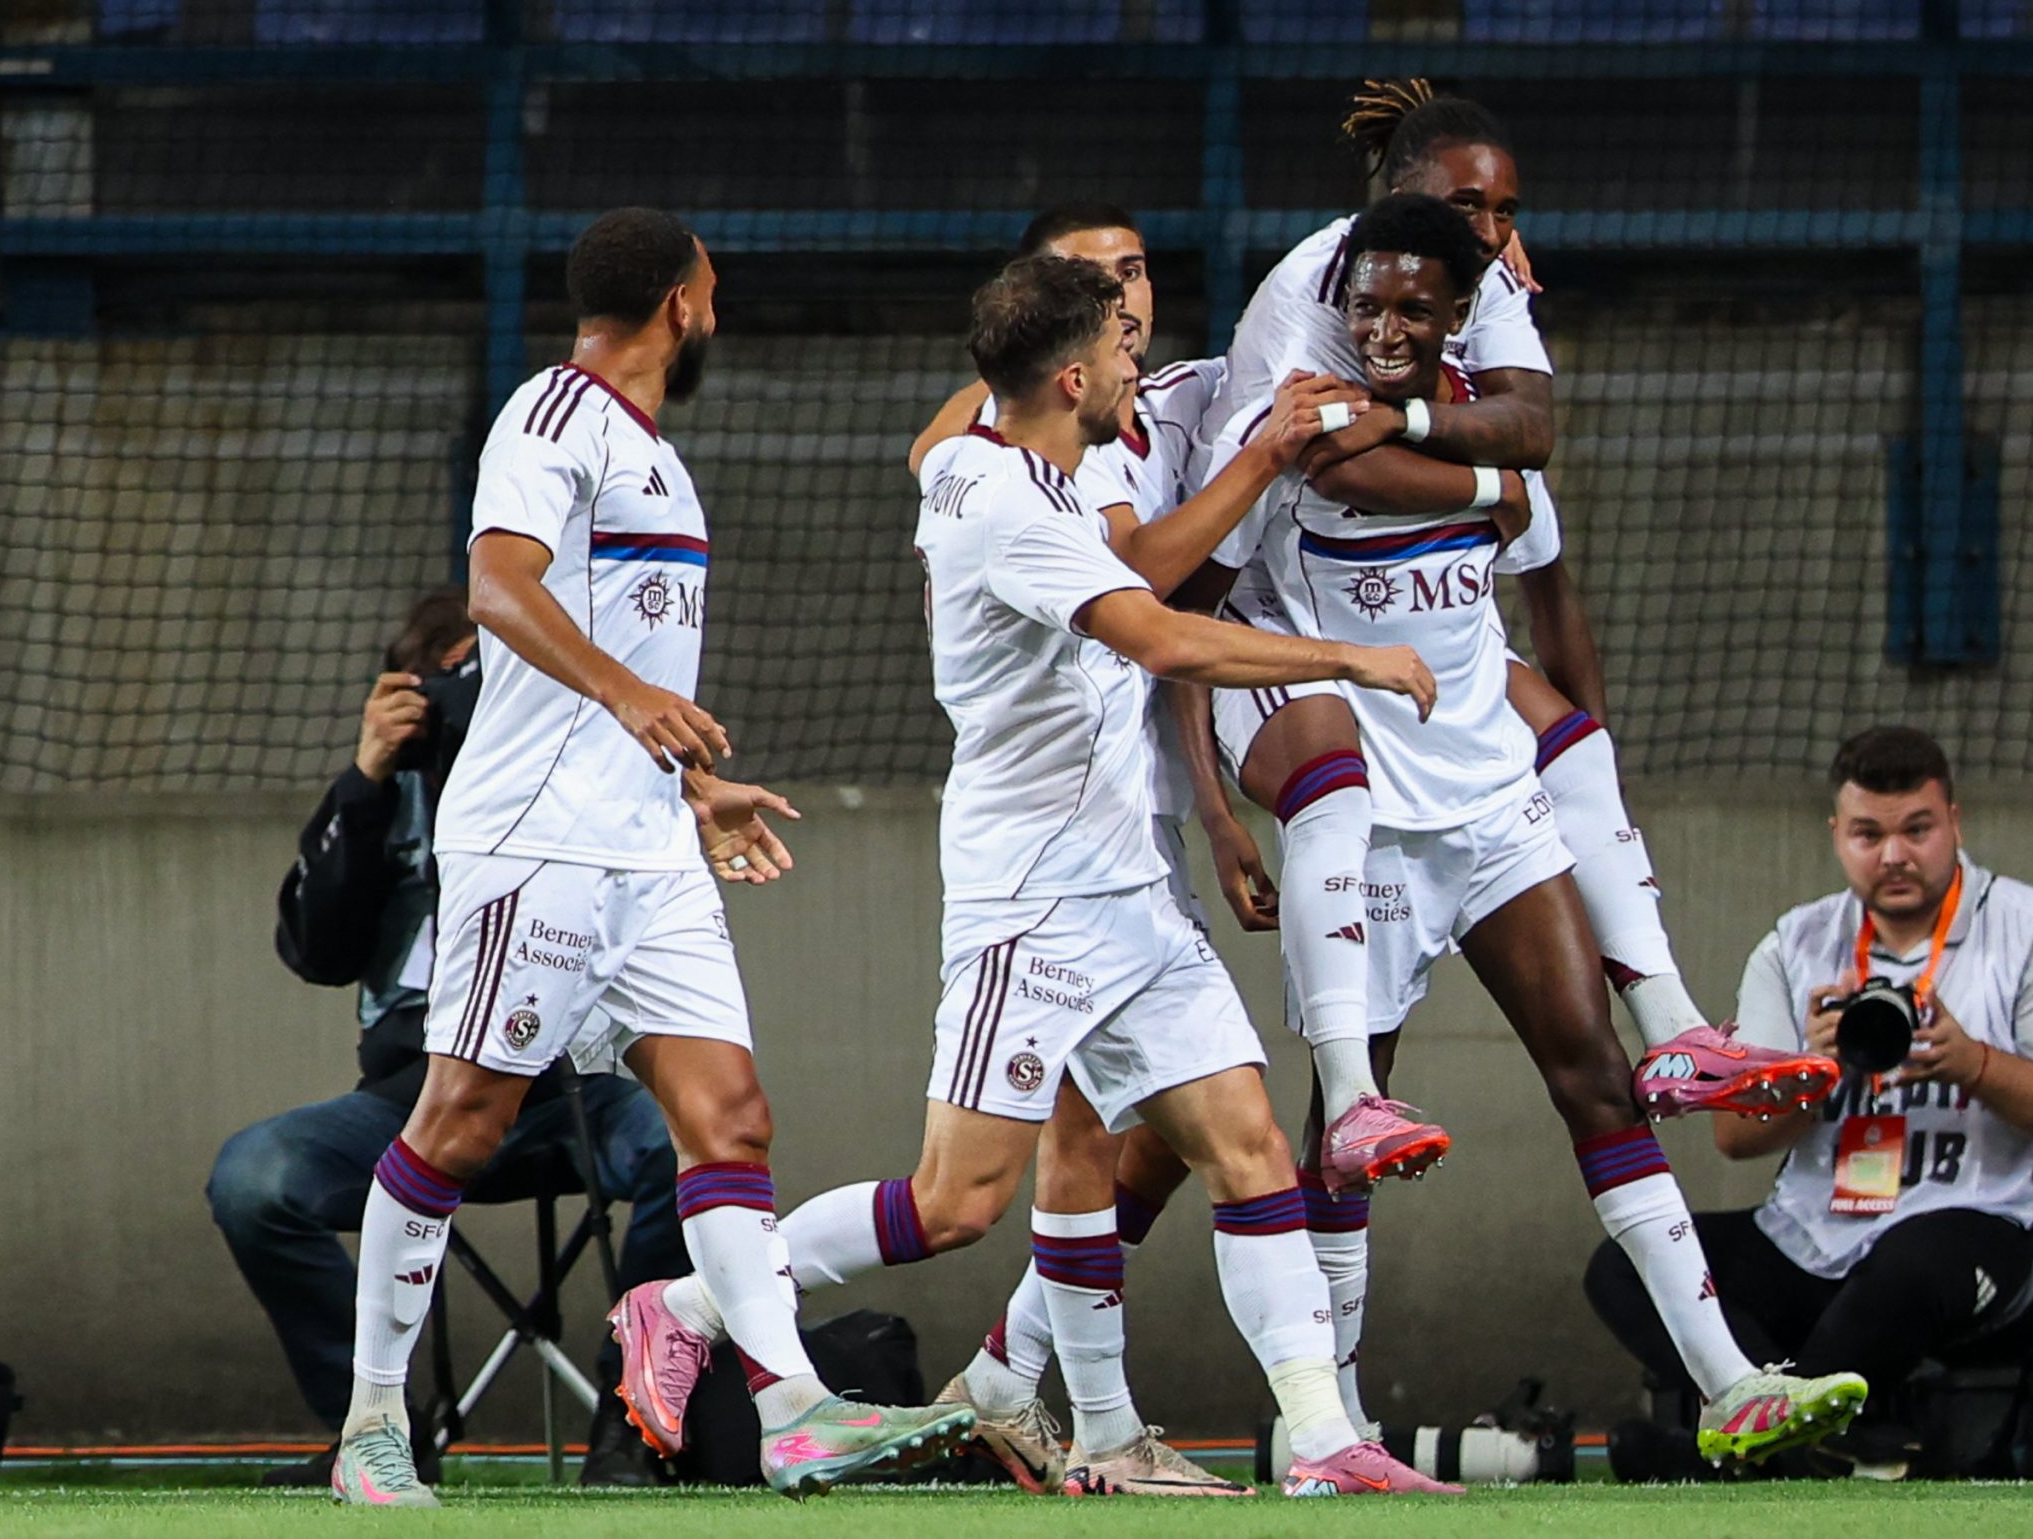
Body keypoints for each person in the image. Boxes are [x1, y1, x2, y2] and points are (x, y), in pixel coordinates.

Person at [620, 252, 1465, 1497]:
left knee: (1246, 1148)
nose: (1139, 362)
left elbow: (960, 424)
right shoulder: (1012, 511)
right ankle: (691, 1303)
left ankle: (1319, 1442)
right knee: (956, 1202)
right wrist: (1354, 655)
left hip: (1128, 889)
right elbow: (1162, 634)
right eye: (1120, 348)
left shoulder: (980, 456)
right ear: (1072, 378)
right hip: (1032, 906)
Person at [1189, 193, 1870, 1467]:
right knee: (1354, 1115)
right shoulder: (1286, 430)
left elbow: (1544, 580)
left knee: (1597, 1079)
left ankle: (1729, 1385)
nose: (1384, 326)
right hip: (1371, 818)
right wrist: (1218, 803)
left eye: (1413, 309)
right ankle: (1318, 1425)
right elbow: (1185, 621)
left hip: (1492, 807)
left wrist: (1586, 766)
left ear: (1456, 319)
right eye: (1368, 304)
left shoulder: (1489, 448)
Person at [323, 207, 973, 1507]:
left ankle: (792, 1406)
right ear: (682, 302)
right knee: (461, 1118)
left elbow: (620, 656)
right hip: (536, 839)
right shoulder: (551, 417)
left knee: (729, 1115)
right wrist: (630, 703)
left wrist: (692, 780)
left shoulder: (654, 456)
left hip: (648, 842)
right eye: (713, 292)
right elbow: (500, 587)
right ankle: (372, 1423)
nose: (716, 314)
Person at [208, 587, 682, 1489]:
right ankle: (378, 1428)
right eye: (442, 681)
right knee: (255, 1176)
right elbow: (312, 948)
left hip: (569, 1086)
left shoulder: (581, 779)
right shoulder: (390, 794)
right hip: (413, 1096)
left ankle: (635, 1426)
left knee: (685, 1151)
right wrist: (368, 775)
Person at [1585, 726, 2033, 1478]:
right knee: (1631, 1263)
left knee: (1908, 1265)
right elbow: (1737, 1139)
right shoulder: (1795, 943)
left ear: (1954, 824)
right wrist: (1813, 1067)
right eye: (1869, 833)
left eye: (1917, 830)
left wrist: (1976, 1064)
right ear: (1837, 834)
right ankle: (1811, 1437)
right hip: (1820, 1232)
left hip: (1994, 1225)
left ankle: (1749, 1457)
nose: (1895, 855)